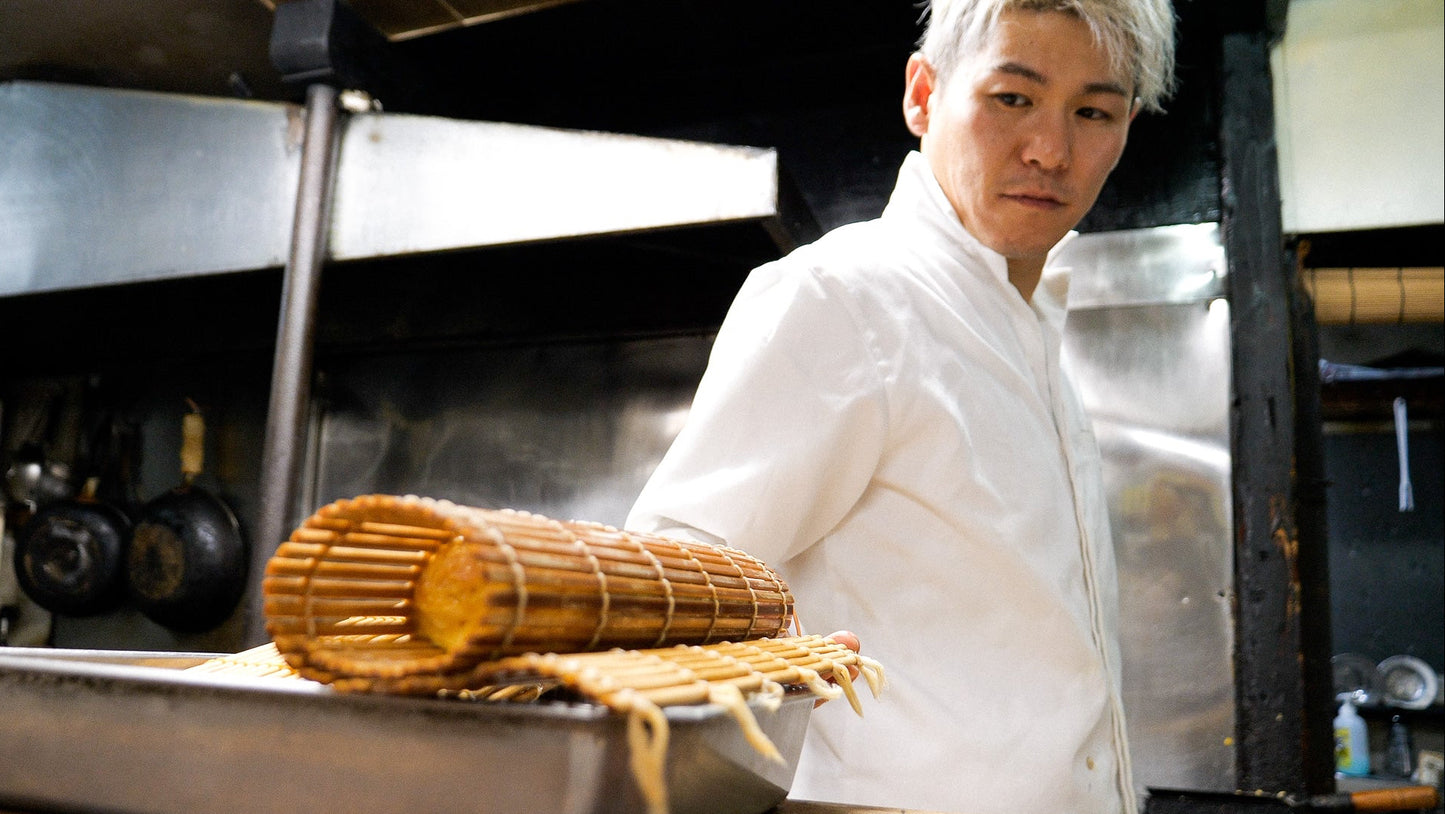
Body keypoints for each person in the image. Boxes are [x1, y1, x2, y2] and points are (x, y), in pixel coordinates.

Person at [626, 1, 1176, 812]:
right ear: (923, 95)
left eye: (1091, 112)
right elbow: (669, 594)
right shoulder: (844, 300)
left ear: (1125, 128)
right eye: (1011, 98)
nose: (1050, 151)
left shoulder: (1031, 337)